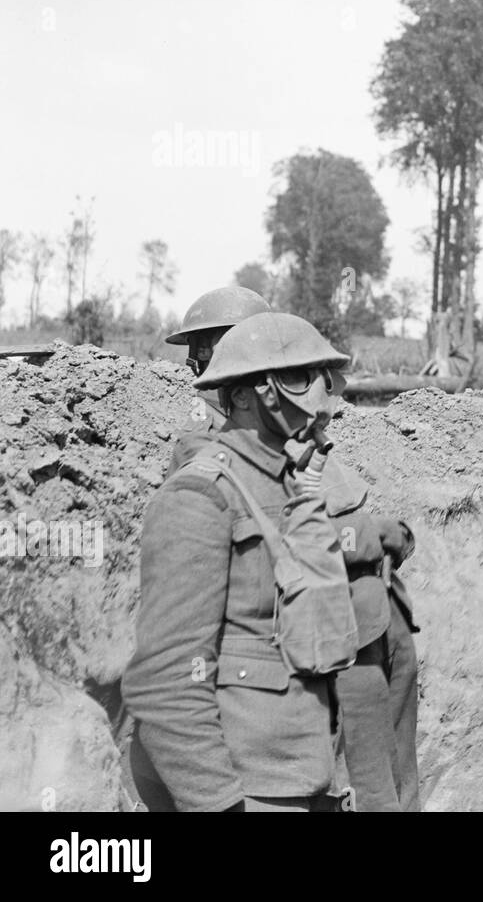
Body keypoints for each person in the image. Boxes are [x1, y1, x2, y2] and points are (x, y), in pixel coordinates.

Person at [158, 289, 422, 812]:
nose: (196, 364)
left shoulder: (295, 432)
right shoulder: (214, 452)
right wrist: (375, 535)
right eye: (198, 353)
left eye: (206, 348)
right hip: (311, 642)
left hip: (373, 623)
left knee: (391, 777)